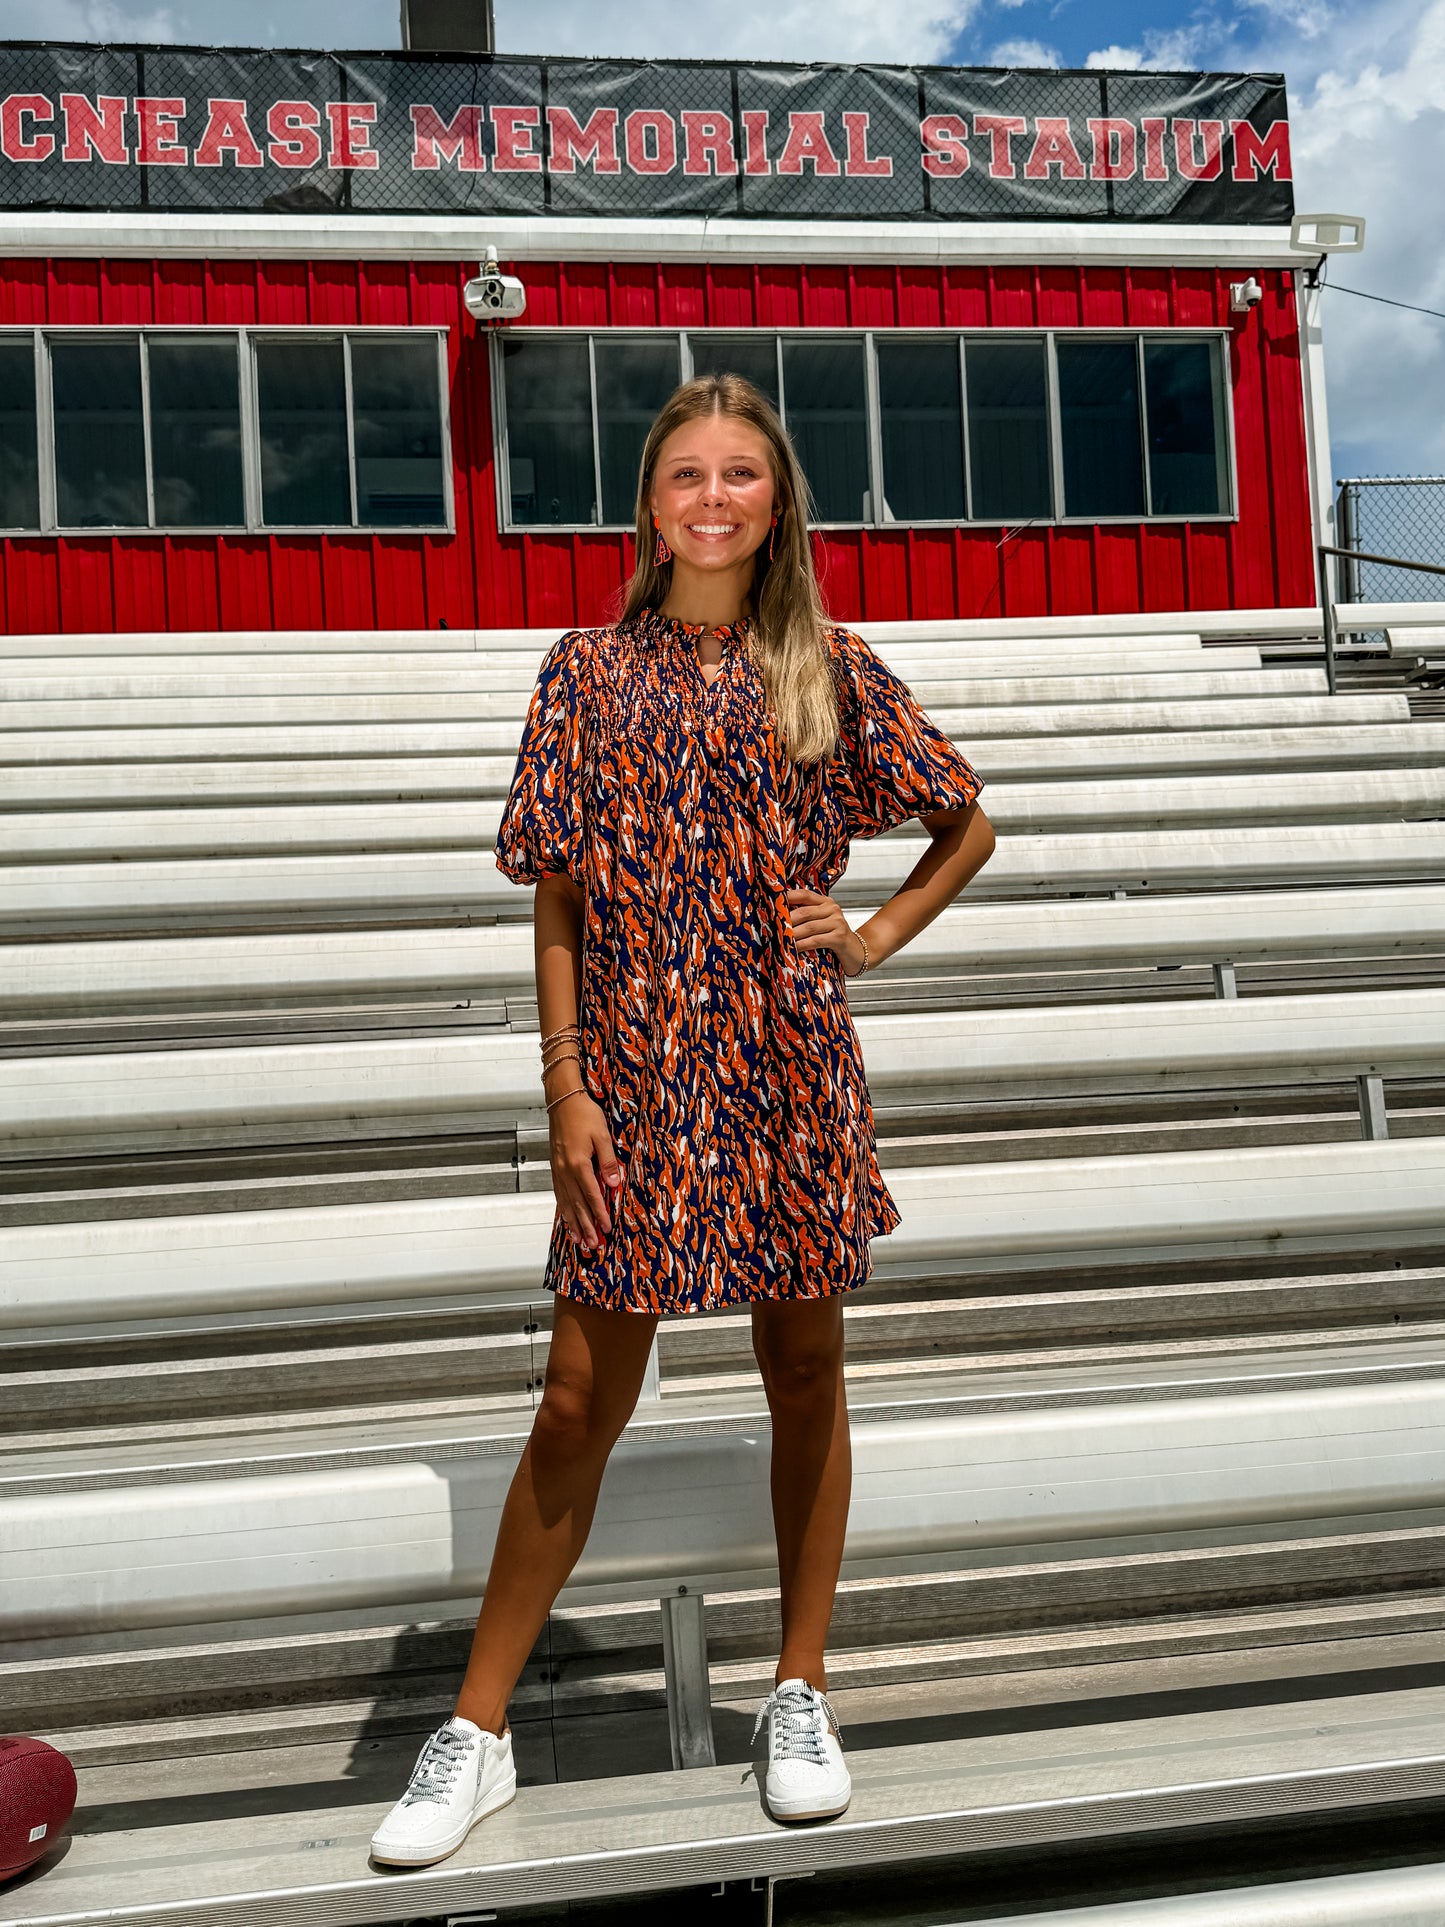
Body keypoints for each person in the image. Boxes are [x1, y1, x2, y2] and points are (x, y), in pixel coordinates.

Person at [369, 373, 995, 1868]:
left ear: (776, 507)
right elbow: (560, 898)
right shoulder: (584, 671)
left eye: (742, 478)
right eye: (685, 476)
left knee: (802, 1369)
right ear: (649, 501)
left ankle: (799, 1687)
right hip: (636, 1079)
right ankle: (476, 1729)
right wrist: (567, 1082)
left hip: (784, 1060)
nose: (712, 499)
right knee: (578, 1399)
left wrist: (872, 935)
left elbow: (964, 818)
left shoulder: (826, 664)